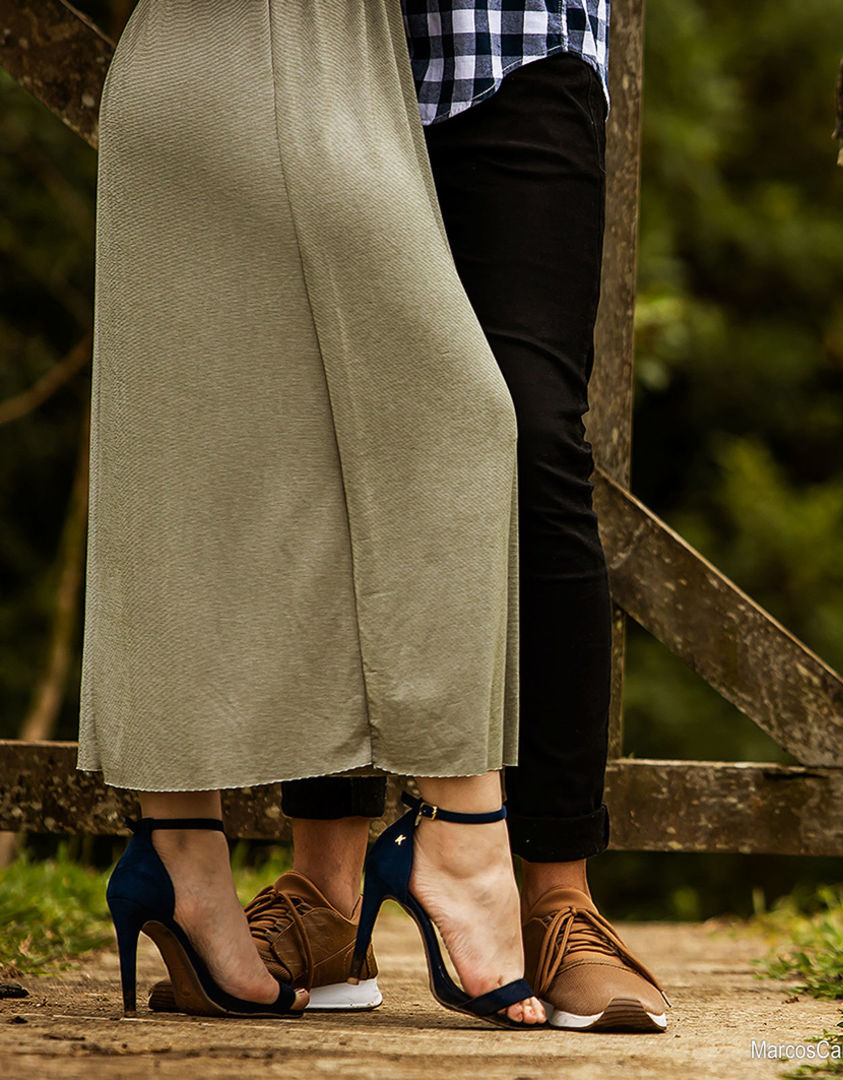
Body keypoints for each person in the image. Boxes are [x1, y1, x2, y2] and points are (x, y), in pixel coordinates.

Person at [141, 1, 669, 1033]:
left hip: (510, 42)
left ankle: (555, 894)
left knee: (528, 438)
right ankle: (325, 889)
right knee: (319, 447)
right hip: (311, 51)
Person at [81, 0, 544, 1027]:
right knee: (452, 421)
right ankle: (463, 839)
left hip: (302, 68)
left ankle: (179, 856)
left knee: (193, 458)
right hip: (262, 60)